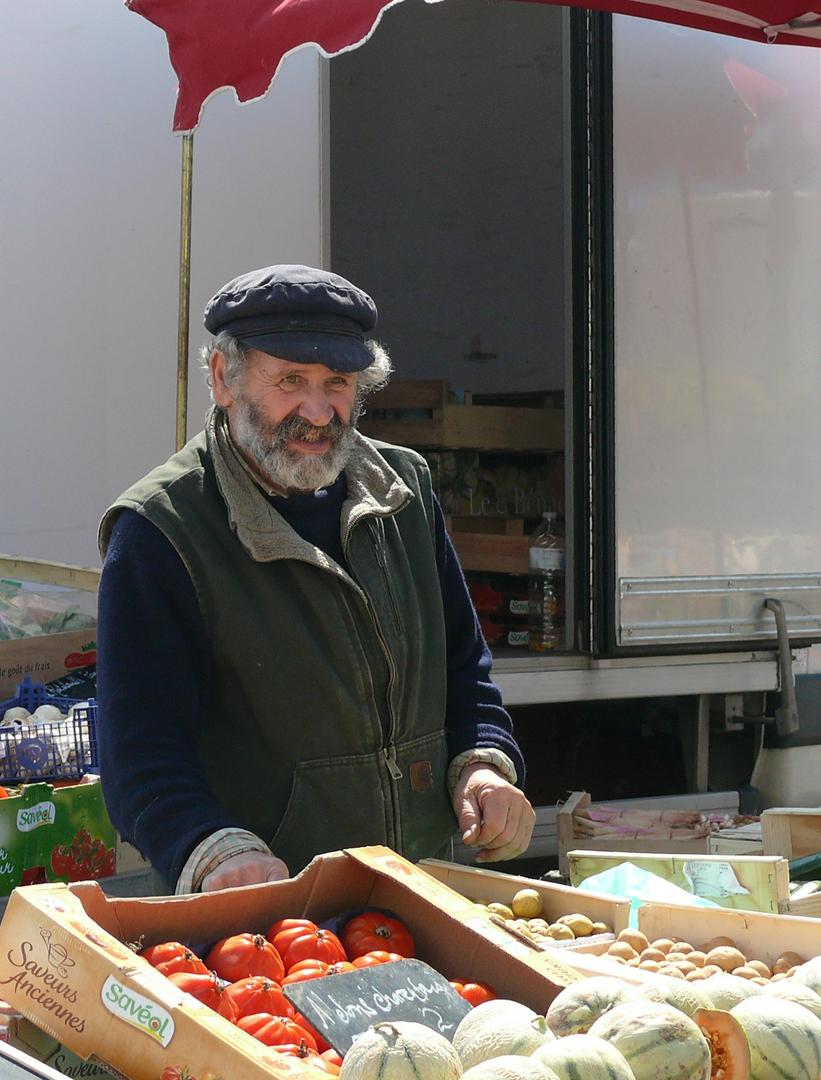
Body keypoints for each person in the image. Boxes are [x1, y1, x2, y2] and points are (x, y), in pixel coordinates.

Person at [95, 264, 534, 893]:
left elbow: (463, 670)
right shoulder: (162, 531)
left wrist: (482, 766)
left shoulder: (405, 493)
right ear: (224, 378)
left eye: (338, 382)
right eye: (291, 381)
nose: (319, 410)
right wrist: (211, 848)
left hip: (428, 889)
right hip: (272, 924)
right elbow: (140, 756)